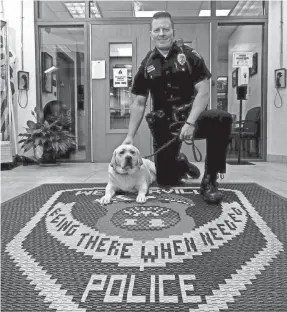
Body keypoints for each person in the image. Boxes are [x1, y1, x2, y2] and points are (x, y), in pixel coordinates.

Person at [122, 11, 232, 204]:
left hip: (192, 116)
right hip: (164, 124)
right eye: (157, 30)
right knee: (166, 180)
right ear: (151, 33)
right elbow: (139, 103)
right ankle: (180, 162)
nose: (162, 33)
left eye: (166, 29)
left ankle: (210, 179)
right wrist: (130, 136)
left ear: (173, 31)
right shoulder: (147, 63)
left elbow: (203, 92)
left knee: (221, 119)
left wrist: (190, 123)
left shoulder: (190, 56)